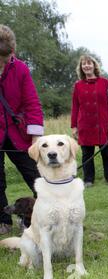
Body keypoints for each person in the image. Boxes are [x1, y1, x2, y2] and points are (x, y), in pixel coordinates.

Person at [0, 25, 44, 234]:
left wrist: (36, 139)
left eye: (5, 58)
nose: (2, 63)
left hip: (19, 135)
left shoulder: (21, 69)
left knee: (37, 178)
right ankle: (4, 221)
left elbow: (32, 104)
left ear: (12, 53)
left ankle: (44, 215)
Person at [71, 54, 108, 188]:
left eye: (89, 63)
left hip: (103, 124)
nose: (86, 66)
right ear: (81, 67)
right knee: (87, 154)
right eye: (83, 64)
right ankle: (88, 180)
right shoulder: (78, 86)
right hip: (85, 124)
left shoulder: (105, 83)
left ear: (94, 65)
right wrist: (74, 126)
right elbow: (75, 106)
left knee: (107, 153)